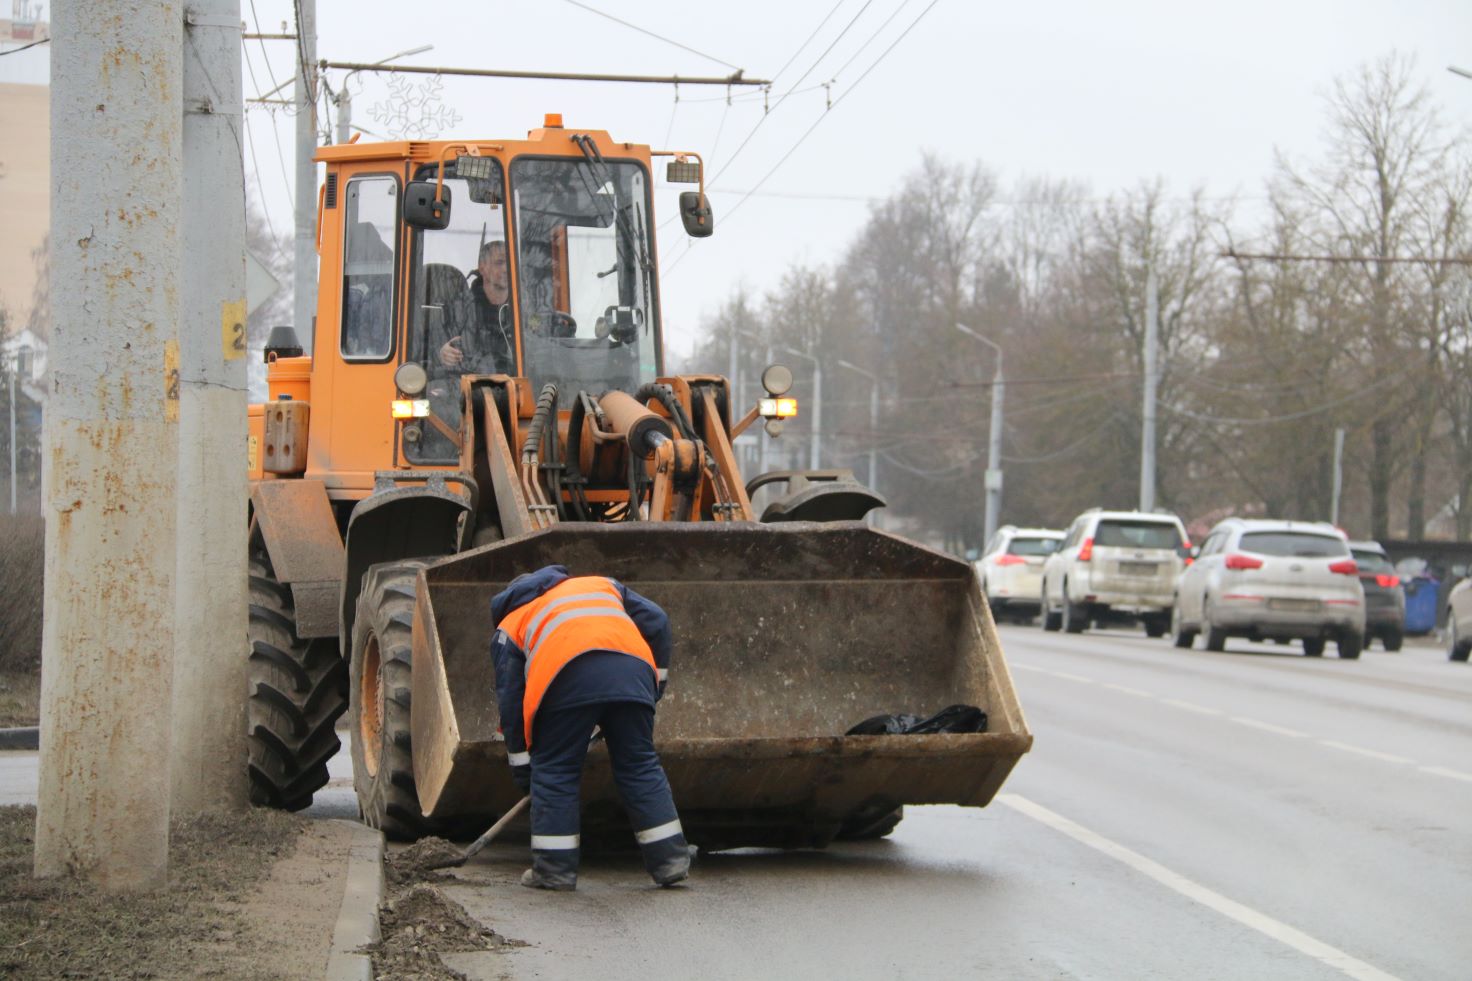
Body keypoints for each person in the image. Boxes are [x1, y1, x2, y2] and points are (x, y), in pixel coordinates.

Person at [490, 564, 690, 891]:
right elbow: (657, 621)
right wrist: (658, 682)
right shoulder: (601, 585)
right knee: (640, 765)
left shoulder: (510, 624)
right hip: (635, 674)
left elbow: (511, 703)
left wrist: (525, 769)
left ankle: (553, 871)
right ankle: (670, 861)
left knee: (556, 771)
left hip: (565, 677)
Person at [439, 240, 514, 375]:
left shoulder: (526, 306)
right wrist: (442, 352)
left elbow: (542, 339)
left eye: (510, 262)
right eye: (499, 262)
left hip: (519, 384)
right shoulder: (460, 308)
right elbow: (433, 345)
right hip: (470, 386)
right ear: (482, 268)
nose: (506, 268)